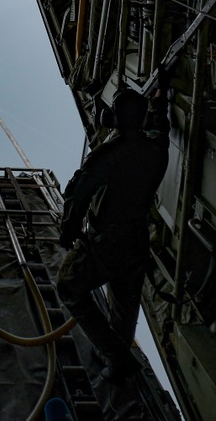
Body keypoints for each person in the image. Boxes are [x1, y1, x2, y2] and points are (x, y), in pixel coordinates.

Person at [56, 78, 170, 382]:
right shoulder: (157, 150)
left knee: (68, 286)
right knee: (123, 312)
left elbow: (78, 193)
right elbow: (162, 128)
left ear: (115, 119)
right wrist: (160, 100)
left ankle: (117, 357)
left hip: (105, 244)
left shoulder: (109, 155)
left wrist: (68, 230)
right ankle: (117, 357)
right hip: (136, 245)